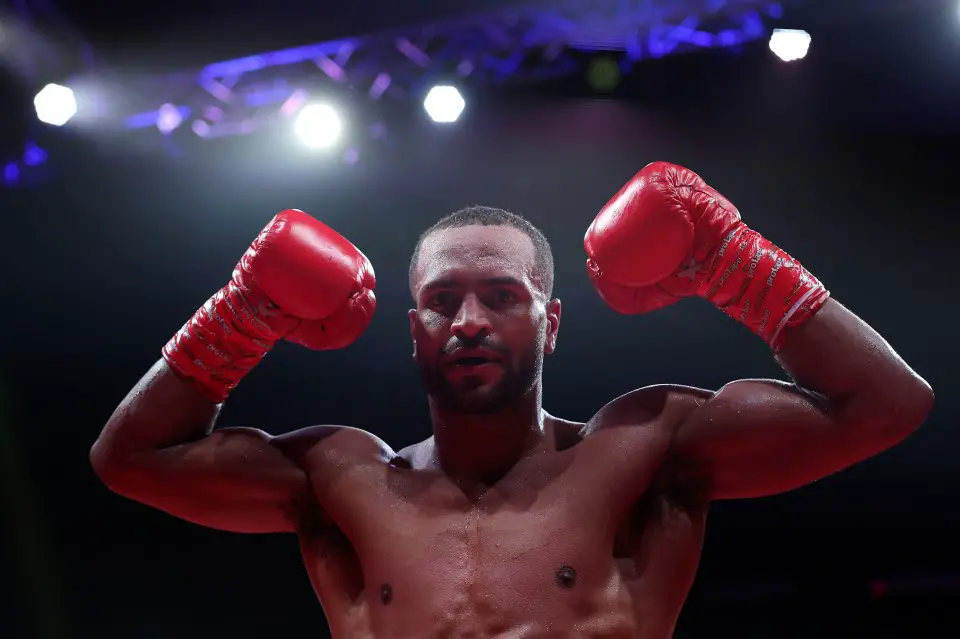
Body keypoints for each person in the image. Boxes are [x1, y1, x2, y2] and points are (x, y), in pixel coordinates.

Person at [91, 161, 933, 639]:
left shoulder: (644, 446)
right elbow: (129, 461)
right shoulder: (340, 478)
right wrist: (247, 314)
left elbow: (885, 404)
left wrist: (730, 259)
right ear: (410, 327)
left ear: (551, 321)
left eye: (501, 295)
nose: (469, 320)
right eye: (443, 299)